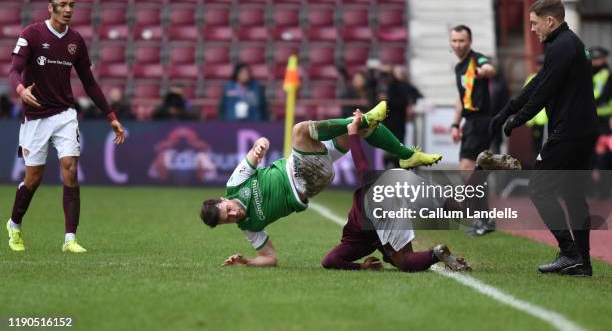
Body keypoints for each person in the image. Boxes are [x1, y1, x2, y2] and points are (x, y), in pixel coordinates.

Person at [199, 101, 443, 267]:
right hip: (304, 180)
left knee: (357, 130)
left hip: (303, 162)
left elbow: (258, 145)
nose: (234, 214)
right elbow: (269, 257)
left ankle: (405, 154)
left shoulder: (234, 183)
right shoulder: (249, 227)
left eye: (228, 209)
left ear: (223, 199)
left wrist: (260, 145)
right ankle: (367, 121)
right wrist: (248, 261)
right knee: (301, 131)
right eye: (228, 219)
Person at [6, 0, 126, 253]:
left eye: (71, 5)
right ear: (50, 7)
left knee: (70, 170)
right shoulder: (32, 34)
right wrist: (21, 90)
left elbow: (90, 83)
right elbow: (14, 70)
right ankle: (14, 224)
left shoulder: (76, 41)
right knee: (33, 178)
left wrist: (111, 116)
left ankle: (69, 238)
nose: (68, 9)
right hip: (36, 116)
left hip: (64, 114)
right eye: (62, 5)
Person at [490, 0, 599, 276]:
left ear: (550, 21)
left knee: (539, 189)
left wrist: (518, 119)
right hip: (583, 131)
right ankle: (582, 263)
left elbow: (543, 91)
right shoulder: (566, 44)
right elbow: (539, 83)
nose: (532, 29)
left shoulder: (563, 47)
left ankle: (569, 252)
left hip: (570, 133)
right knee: (573, 195)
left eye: (535, 23)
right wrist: (507, 111)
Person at [321, 110, 470, 272]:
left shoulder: (354, 241)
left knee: (404, 262)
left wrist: (361, 267)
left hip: (380, 198)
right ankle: (478, 176)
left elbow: (329, 261)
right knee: (453, 209)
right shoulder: (370, 239)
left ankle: (437, 253)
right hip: (397, 176)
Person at [449, 25, 497, 236]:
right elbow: (461, 99)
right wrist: (454, 124)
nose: (458, 44)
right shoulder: (459, 67)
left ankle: (481, 216)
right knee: (469, 172)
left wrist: (483, 72)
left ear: (470, 42)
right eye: (455, 41)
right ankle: (483, 218)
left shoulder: (477, 59)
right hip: (470, 122)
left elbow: (490, 69)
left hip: (481, 121)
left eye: (462, 40)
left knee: (469, 169)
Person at [590, 47, 612, 198]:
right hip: (592, 120)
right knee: (595, 156)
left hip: (607, 121)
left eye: (597, 58)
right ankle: (597, 190)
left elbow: (605, 96)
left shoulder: (607, 75)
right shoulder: (589, 74)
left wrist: (587, 103)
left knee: (605, 158)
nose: (594, 61)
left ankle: (604, 191)